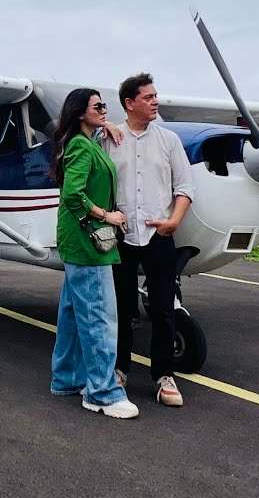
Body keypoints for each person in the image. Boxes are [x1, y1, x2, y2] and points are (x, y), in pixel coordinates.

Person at [100, 73, 195, 407]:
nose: (156, 101)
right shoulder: (107, 139)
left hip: (158, 234)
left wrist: (173, 221)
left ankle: (164, 375)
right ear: (129, 103)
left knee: (164, 309)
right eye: (148, 97)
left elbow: (184, 187)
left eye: (156, 96)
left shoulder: (169, 141)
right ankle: (119, 369)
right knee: (122, 308)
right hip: (121, 235)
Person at [49, 88, 139, 419]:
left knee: (73, 314)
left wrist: (107, 125)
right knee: (100, 315)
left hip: (79, 240)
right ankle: (101, 392)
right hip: (88, 242)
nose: (104, 109)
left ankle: (66, 378)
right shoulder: (79, 147)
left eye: (105, 105)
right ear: (79, 113)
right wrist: (108, 216)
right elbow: (73, 196)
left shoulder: (84, 142)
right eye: (97, 106)